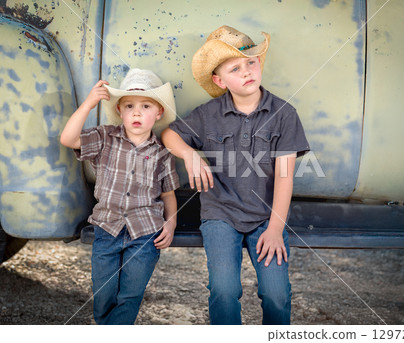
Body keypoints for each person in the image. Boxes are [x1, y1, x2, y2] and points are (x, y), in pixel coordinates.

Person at [161, 26, 310, 325]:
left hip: (267, 217)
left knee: (276, 294)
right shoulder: (208, 114)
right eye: (235, 67)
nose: (247, 71)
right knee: (225, 290)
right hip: (221, 214)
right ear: (219, 80)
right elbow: (168, 134)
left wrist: (275, 229)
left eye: (251, 62)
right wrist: (190, 154)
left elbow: (284, 178)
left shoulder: (284, 113)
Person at [60, 68, 179, 324]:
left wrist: (171, 222)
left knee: (130, 296)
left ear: (158, 113)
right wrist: (90, 103)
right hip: (107, 229)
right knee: (103, 296)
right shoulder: (105, 137)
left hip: (145, 234)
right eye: (129, 106)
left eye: (146, 106)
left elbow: (168, 193)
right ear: (119, 111)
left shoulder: (162, 154)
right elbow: (68, 138)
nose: (136, 112)